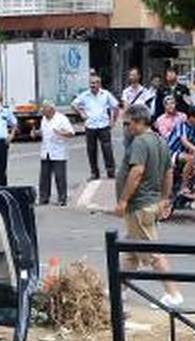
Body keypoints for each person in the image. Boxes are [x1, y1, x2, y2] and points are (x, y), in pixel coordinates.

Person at [114, 104, 182, 308]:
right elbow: (169, 172)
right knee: (131, 252)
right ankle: (121, 290)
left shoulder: (140, 142)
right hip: (151, 202)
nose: (127, 127)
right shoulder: (160, 140)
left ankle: (173, 293)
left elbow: (136, 173)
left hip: (139, 204)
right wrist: (164, 198)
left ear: (137, 121)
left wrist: (123, 200)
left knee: (152, 253)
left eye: (128, 123)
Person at [73, 75, 119, 180]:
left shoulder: (106, 94)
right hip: (90, 126)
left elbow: (115, 106)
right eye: (91, 83)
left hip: (103, 125)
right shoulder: (84, 95)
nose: (93, 85)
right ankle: (94, 173)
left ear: (99, 84)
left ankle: (110, 171)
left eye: (95, 83)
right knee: (91, 150)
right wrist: (81, 113)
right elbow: (74, 104)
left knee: (107, 149)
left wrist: (113, 121)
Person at [33, 100, 74, 206]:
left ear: (50, 109)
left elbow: (71, 132)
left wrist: (61, 133)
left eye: (44, 108)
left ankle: (62, 199)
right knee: (44, 177)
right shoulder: (44, 119)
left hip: (58, 153)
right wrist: (36, 133)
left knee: (60, 177)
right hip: (46, 152)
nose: (42, 110)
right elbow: (43, 131)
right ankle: (44, 198)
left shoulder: (61, 119)